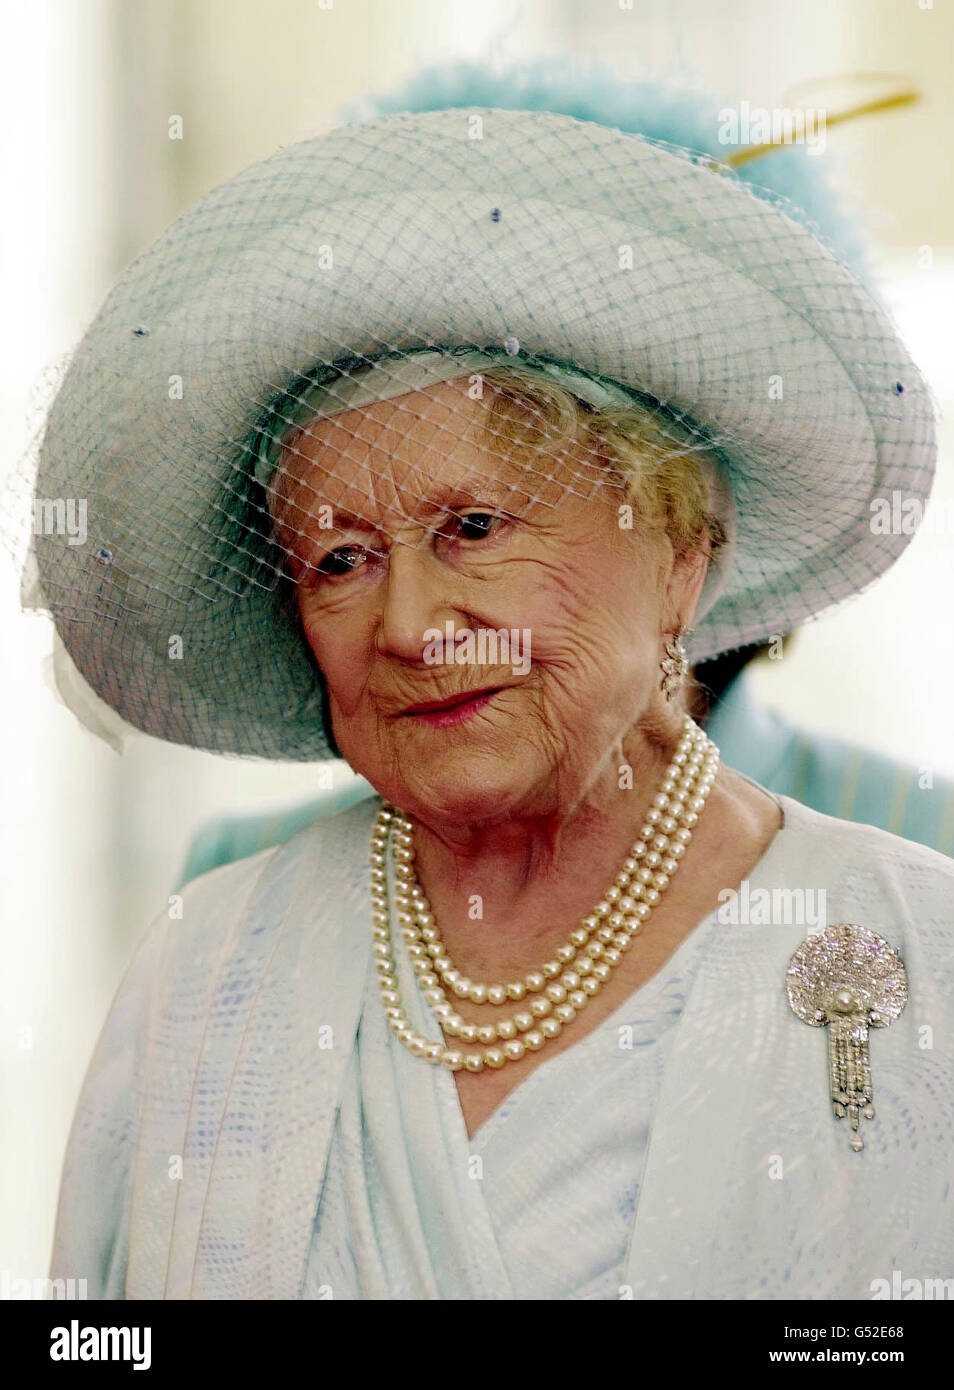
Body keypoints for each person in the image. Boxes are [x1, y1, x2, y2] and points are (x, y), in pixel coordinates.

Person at [29, 65, 954, 1300]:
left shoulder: (907, 942)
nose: (409, 625)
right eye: (340, 560)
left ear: (683, 553)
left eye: (473, 526)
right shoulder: (210, 961)